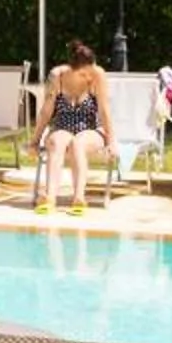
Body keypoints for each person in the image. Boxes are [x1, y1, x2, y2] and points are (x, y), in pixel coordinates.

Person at [37, 40, 113, 216]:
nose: (89, 77)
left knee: (77, 143)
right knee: (56, 142)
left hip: (91, 129)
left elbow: (104, 110)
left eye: (91, 72)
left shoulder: (98, 75)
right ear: (72, 70)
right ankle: (50, 197)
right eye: (84, 74)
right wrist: (35, 140)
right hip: (63, 127)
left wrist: (112, 140)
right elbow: (46, 111)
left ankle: (79, 198)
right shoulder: (58, 76)